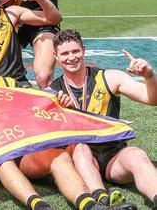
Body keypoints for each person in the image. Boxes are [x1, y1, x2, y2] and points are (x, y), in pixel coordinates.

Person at [0, 36, 132, 210]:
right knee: (3, 160)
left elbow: (39, 106)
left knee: (59, 157)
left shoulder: (8, 84)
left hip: (20, 151)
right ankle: (40, 206)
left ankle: (91, 206)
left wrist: (59, 102)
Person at [51, 29, 157, 208]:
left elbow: (152, 99)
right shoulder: (54, 91)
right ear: (56, 57)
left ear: (84, 50)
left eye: (75, 51)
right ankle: (102, 201)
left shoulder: (109, 77)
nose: (71, 57)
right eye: (65, 53)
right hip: (81, 159)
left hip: (113, 158)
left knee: (136, 155)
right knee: (80, 148)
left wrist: (149, 76)